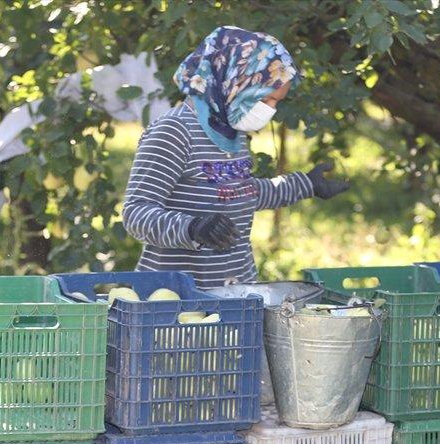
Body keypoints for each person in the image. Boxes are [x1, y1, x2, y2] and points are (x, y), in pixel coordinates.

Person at [122, 26, 349, 288]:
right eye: (268, 99)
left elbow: (238, 192)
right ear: (236, 83)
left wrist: (306, 184)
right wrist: (192, 228)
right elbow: (136, 213)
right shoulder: (174, 132)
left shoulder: (231, 131)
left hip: (234, 291)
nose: (270, 110)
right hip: (175, 298)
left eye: (277, 102)